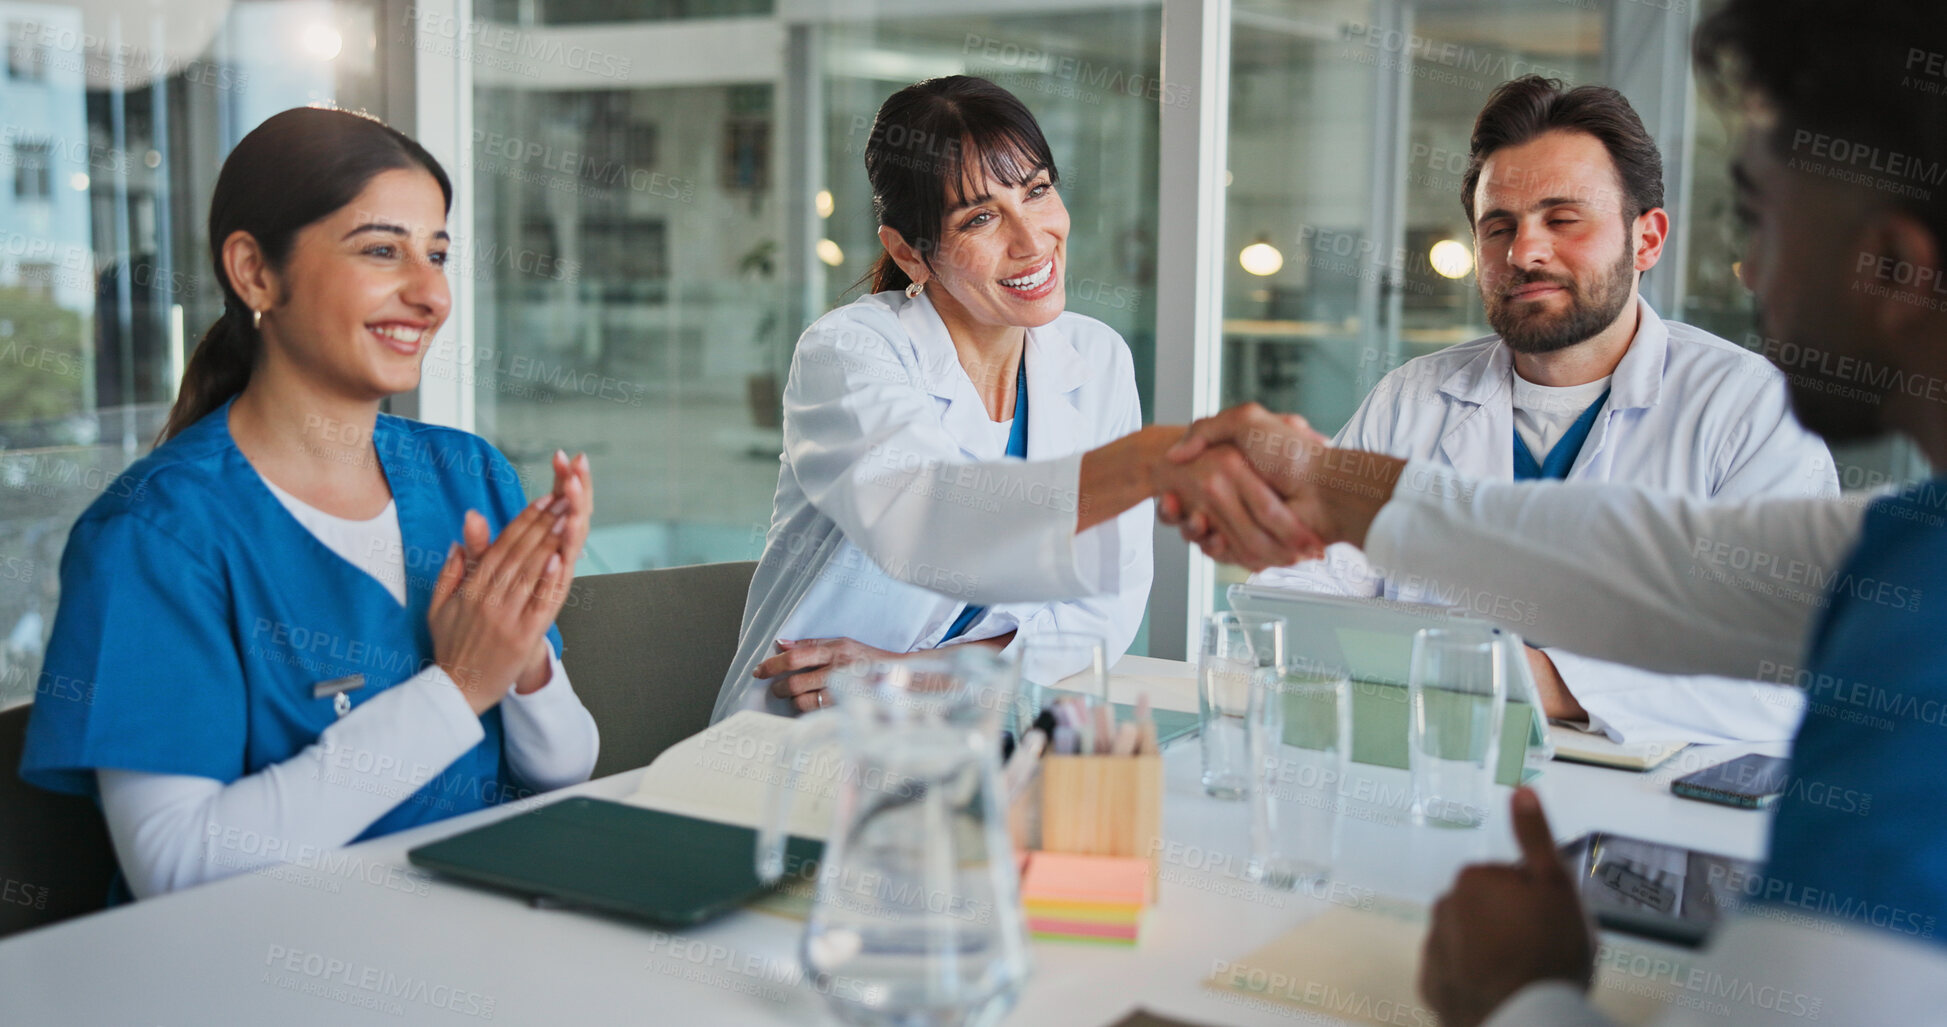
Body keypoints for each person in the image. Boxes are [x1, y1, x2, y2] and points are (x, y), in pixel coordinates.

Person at [1168, 1, 1947, 1020]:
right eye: (1501, 225)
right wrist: (1323, 483)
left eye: (1760, 216)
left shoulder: (1911, 630)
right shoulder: (1903, 549)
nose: (1750, 271)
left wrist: (1523, 991)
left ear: (1893, 263)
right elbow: (1671, 566)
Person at [18, 107, 600, 900]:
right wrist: (459, 683)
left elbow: (564, 764)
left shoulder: (468, 474)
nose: (429, 293)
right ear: (255, 272)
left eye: (437, 254)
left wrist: (519, 649)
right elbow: (174, 860)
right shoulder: (157, 536)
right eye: (381, 250)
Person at [1251, 75, 1832, 744]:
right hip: (1432, 791)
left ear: (1645, 240)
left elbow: (1781, 675)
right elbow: (1296, 602)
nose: (1523, 251)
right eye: (1497, 226)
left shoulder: (1748, 409)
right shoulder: (1411, 396)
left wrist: (1535, 681)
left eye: (1562, 219)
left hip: (1647, 825)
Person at [717, 76, 1312, 718]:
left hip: (984, 730)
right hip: (810, 731)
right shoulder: (850, 351)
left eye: (1037, 191)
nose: (1032, 241)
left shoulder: (1099, 358)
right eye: (980, 217)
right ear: (910, 254)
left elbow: (1102, 615)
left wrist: (909, 675)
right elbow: (932, 524)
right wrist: (1148, 462)